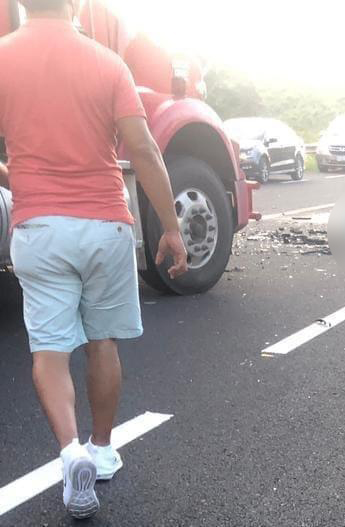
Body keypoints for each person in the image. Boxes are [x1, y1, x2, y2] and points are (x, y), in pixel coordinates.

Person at [0, 0, 188, 518]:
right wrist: (171, 229)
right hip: (105, 224)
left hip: (39, 227)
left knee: (50, 349)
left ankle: (70, 452)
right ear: (76, 3)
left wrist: (18, 177)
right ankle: (102, 448)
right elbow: (144, 149)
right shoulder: (108, 63)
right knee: (101, 340)